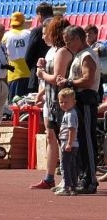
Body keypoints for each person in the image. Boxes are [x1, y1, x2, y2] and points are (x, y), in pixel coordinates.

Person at [57, 25, 101, 194]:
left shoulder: (87, 55)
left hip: (86, 100)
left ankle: (90, 180)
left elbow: (88, 80)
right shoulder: (79, 55)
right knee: (81, 141)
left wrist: (69, 83)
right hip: (80, 100)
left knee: (87, 141)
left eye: (69, 41)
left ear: (77, 39)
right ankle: (84, 177)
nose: (67, 45)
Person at [30, 16, 73, 190]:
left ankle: (66, 175)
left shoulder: (62, 51)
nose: (42, 36)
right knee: (51, 137)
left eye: (45, 32)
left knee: (62, 138)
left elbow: (56, 78)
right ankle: (49, 176)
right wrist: (41, 93)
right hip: (50, 99)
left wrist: (41, 74)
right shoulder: (51, 51)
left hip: (59, 100)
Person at [24, 2, 53, 93]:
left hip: (39, 74)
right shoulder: (64, 27)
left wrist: (33, 69)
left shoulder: (37, 31)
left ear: (40, 14)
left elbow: (29, 55)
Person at [54, 88, 79, 196]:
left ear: (73, 102)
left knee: (65, 166)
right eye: (61, 102)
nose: (63, 104)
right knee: (72, 165)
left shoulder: (70, 115)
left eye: (66, 102)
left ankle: (66, 187)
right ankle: (73, 187)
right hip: (72, 143)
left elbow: (72, 129)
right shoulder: (69, 113)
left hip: (68, 143)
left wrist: (69, 143)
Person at [3, 12, 31, 101]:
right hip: (29, 75)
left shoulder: (6, 36)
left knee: (15, 106)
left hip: (13, 75)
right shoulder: (29, 34)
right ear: (23, 22)